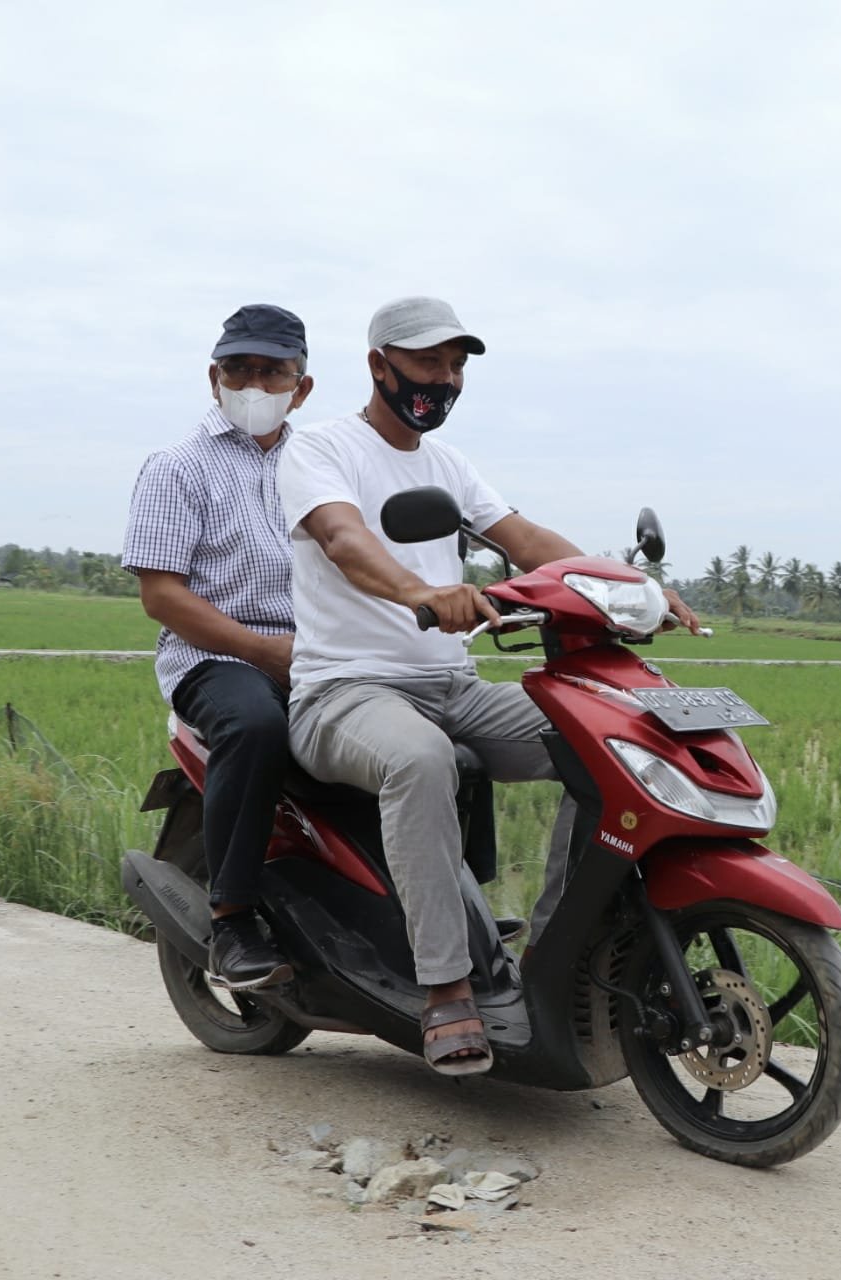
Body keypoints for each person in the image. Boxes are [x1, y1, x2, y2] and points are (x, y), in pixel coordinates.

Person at [277, 296, 699, 1075]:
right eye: (428, 362)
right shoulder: (319, 450)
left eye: (456, 364)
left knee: (610, 734)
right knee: (420, 760)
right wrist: (416, 593)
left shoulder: (448, 465)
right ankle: (445, 987)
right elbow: (342, 537)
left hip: (451, 684)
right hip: (343, 693)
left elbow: (525, 539)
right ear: (379, 366)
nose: (444, 378)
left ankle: (561, 952)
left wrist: (627, 588)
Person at [123, 304, 313, 991]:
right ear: (214, 378)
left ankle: (448, 902)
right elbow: (162, 596)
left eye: (272, 372)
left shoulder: (324, 469)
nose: (254, 385)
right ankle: (232, 918)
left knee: (438, 715)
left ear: (303, 385)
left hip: (316, 653)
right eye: (239, 370)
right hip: (215, 658)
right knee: (256, 723)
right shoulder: (178, 468)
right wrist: (265, 653)